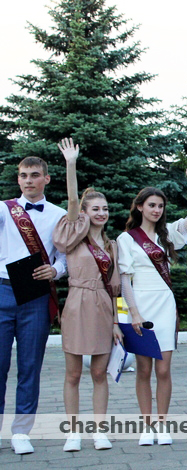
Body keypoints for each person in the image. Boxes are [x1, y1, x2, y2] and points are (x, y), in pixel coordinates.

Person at [117, 171, 187, 446]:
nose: (156, 210)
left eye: (160, 206)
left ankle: (163, 424)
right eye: (151, 205)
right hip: (140, 306)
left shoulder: (168, 235)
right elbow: (125, 279)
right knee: (143, 370)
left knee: (163, 370)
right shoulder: (127, 239)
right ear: (140, 207)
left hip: (165, 305)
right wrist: (134, 313)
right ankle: (146, 426)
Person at [54, 138, 122, 452]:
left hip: (103, 307)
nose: (102, 213)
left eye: (105, 209)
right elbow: (71, 200)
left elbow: (115, 288)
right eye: (95, 209)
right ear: (83, 212)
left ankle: (99, 431)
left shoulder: (112, 246)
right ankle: (73, 432)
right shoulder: (73, 237)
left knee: (99, 373)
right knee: (73, 373)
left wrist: (117, 322)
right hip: (76, 304)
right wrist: (71, 164)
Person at [0, 155, 67, 454]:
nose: (28, 180)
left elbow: (66, 256)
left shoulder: (59, 215)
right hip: (2, 289)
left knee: (30, 366)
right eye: (24, 175)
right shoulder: (5, 209)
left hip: (36, 295)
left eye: (35, 175)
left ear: (46, 179)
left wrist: (56, 270)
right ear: (18, 179)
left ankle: (21, 432)